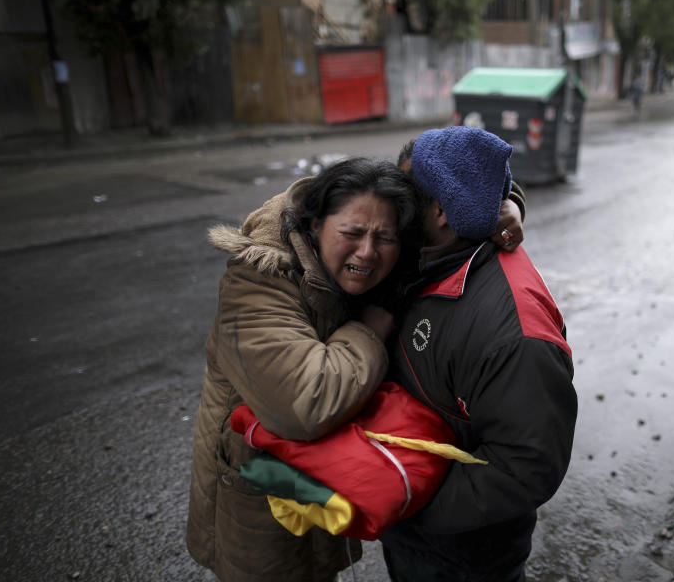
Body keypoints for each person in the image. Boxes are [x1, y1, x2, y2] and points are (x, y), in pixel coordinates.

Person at [186, 156, 525, 582]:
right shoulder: (257, 282)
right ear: (314, 224)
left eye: (385, 237)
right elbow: (304, 405)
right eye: (351, 234)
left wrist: (505, 204)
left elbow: (461, 164)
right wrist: (368, 329)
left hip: (322, 475)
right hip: (258, 489)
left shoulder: (369, 208)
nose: (367, 251)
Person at [379, 127, 578, 582]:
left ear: (440, 211)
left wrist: (416, 506)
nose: (389, 206)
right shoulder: (431, 251)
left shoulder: (515, 335)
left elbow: (526, 466)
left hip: (463, 555)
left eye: (404, 195)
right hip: (414, 539)